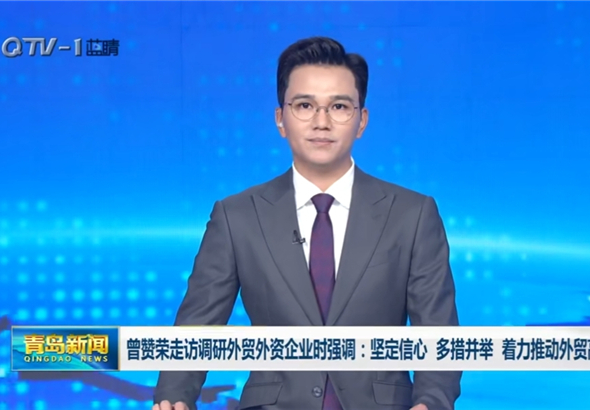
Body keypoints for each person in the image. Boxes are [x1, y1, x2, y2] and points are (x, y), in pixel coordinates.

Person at [153, 36, 461, 410]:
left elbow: (439, 336)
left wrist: (431, 403)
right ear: (280, 119)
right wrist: (173, 398)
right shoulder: (237, 216)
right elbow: (196, 328)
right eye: (304, 105)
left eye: (339, 106)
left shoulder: (412, 214)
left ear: (362, 121)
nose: (321, 122)